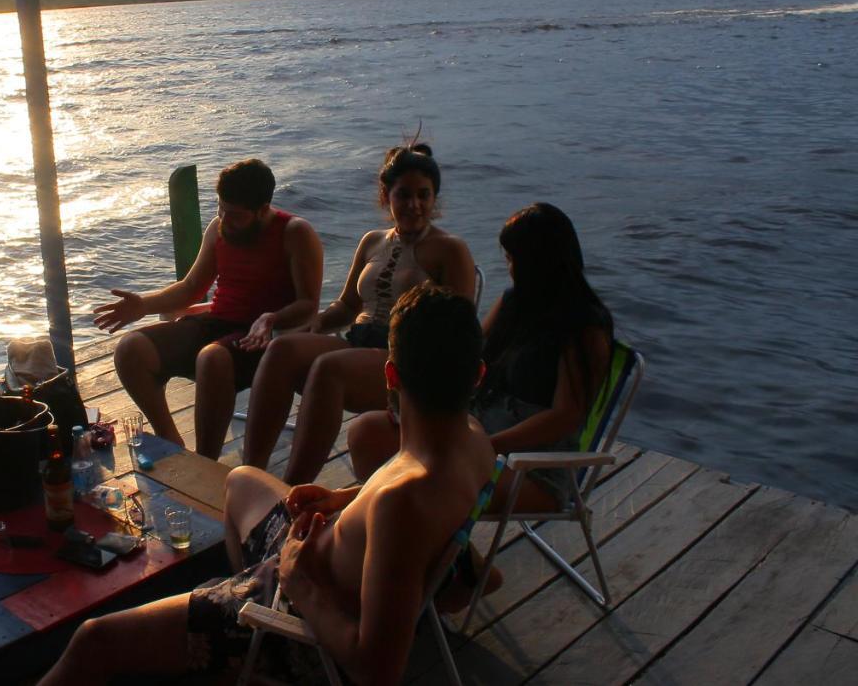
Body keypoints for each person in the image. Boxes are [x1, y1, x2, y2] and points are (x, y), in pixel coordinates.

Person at [42, 284, 497, 686]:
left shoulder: (403, 504)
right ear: (477, 375)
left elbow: (376, 670)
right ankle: (229, 609)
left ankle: (240, 640)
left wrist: (299, 583)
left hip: (300, 619)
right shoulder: (473, 440)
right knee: (241, 480)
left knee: (93, 640)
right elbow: (412, 503)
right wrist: (344, 497)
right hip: (319, 557)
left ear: (391, 375)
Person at [349, 202, 613, 514]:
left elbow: (564, 417)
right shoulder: (515, 303)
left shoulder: (584, 327)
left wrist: (485, 447)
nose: (510, 267)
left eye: (515, 259)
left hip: (529, 469)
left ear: (540, 262)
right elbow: (468, 358)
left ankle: (425, 548)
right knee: (367, 432)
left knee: (422, 482)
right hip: (472, 436)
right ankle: (411, 540)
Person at [241, 142, 476, 484]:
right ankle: (253, 473)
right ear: (387, 196)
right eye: (404, 195)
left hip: (406, 361)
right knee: (282, 350)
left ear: (434, 198)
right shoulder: (372, 241)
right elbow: (348, 306)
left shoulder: (450, 249)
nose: (414, 205)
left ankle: (291, 493)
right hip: (359, 340)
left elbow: (460, 329)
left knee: (328, 368)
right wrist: (313, 325)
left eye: (424, 195)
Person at [94, 159, 323, 458]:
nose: (224, 220)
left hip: (267, 336)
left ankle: (206, 460)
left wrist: (271, 318)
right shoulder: (219, 228)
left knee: (212, 358)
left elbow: (309, 304)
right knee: (130, 349)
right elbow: (191, 288)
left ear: (263, 209)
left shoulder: (295, 233)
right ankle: (170, 441)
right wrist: (143, 305)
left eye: (235, 215)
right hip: (218, 322)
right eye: (220, 208)